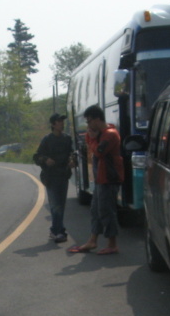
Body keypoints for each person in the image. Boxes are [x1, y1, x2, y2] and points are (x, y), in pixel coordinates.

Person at [68, 105, 123, 256]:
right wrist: (91, 138)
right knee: (95, 210)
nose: (88, 125)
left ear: (98, 119)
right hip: (100, 178)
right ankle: (93, 240)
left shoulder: (110, 134)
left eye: (89, 121)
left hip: (109, 178)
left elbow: (99, 152)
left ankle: (112, 244)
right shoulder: (99, 134)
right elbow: (92, 145)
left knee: (106, 211)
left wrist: (91, 139)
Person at [33, 113, 74, 244]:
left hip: (63, 175)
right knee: (55, 205)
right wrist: (45, 159)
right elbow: (37, 156)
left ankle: (56, 230)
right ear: (53, 125)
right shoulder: (47, 140)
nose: (62, 123)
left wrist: (72, 160)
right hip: (51, 177)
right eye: (59, 121)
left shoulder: (67, 139)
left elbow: (72, 153)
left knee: (61, 205)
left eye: (62, 121)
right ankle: (58, 232)